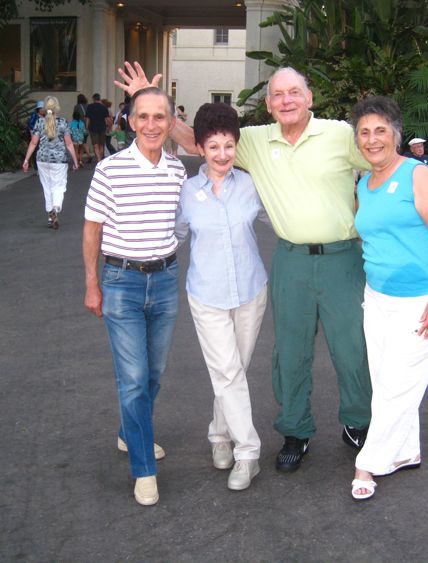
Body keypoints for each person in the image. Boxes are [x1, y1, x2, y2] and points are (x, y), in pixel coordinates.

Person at [115, 62, 428, 474]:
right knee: (290, 352)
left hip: (342, 259)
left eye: (294, 92)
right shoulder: (257, 141)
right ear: (268, 104)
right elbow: (202, 142)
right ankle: (296, 431)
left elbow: (384, 156)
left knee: (352, 348)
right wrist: (156, 108)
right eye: (277, 95)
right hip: (291, 260)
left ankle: (358, 422)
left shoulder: (337, 134)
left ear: (308, 97)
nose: (286, 100)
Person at [349, 96, 428, 501]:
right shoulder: (364, 184)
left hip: (422, 298)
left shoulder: (416, 174)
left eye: (380, 130)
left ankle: (368, 463)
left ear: (395, 133)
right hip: (377, 297)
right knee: (387, 382)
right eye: (364, 132)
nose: (372, 139)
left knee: (397, 384)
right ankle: (406, 451)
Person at [83, 86, 185, 506]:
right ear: (128, 120)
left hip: (164, 280)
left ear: (170, 120)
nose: (151, 125)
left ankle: (130, 432)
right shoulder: (109, 170)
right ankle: (144, 469)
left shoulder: (178, 170)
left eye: (159, 117)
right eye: (142, 116)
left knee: (155, 373)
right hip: (121, 281)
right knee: (134, 379)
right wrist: (92, 283)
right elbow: (92, 229)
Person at [174, 103, 268, 491]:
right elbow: (174, 236)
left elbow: (281, 217)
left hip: (250, 291)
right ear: (199, 147)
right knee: (227, 372)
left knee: (233, 372)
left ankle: (218, 434)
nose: (223, 155)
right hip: (207, 296)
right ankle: (249, 453)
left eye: (229, 145)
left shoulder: (251, 185)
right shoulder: (186, 191)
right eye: (214, 146)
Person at [22, 96, 79, 229]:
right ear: (57, 108)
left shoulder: (39, 122)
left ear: (45, 108)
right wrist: (76, 161)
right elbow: (69, 143)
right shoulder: (63, 122)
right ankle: (56, 207)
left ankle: (50, 216)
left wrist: (26, 160)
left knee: (47, 187)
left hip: (42, 159)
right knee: (59, 185)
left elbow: (33, 142)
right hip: (59, 160)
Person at [85, 93, 110, 162]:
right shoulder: (103, 107)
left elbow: (87, 118)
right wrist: (109, 127)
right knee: (101, 144)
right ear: (99, 98)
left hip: (93, 127)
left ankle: (98, 160)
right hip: (102, 127)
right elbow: (107, 119)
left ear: (93, 99)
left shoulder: (90, 107)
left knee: (95, 145)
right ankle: (100, 160)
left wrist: (86, 127)